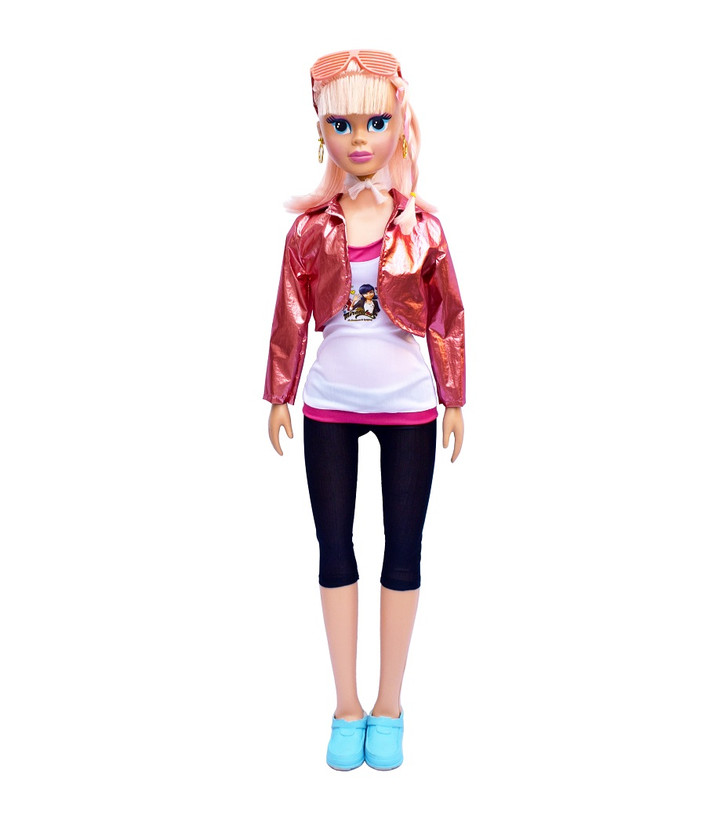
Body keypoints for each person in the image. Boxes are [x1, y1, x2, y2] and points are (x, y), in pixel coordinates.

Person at [263, 49, 466, 771]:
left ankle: (390, 703)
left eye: (376, 122)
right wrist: (280, 393)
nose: (359, 138)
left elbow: (447, 317)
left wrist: (453, 398)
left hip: (410, 406)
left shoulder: (423, 228)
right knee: (335, 548)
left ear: (399, 125)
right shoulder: (309, 230)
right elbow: (290, 315)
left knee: (403, 550)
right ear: (321, 130)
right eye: (342, 123)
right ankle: (346, 704)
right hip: (329, 406)